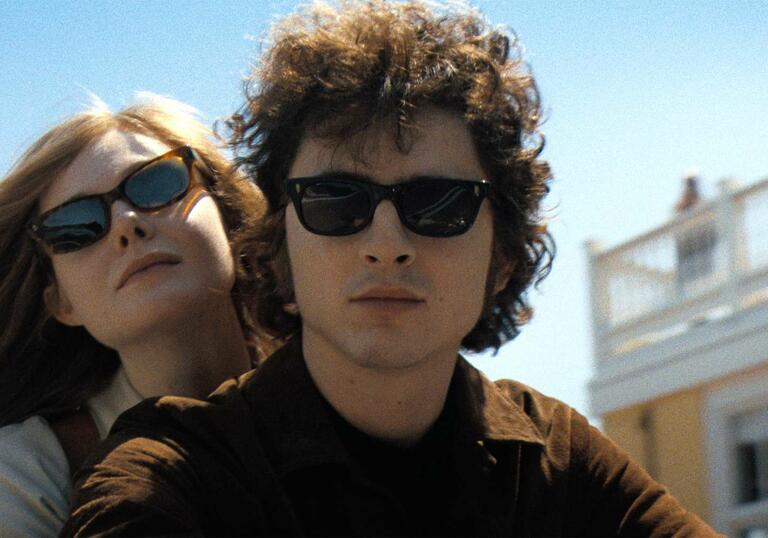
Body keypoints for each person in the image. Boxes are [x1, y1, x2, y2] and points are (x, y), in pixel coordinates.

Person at [64, 1, 719, 536]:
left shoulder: (556, 460)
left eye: (438, 205)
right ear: (279, 256)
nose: (386, 241)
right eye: (335, 201)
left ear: (503, 260)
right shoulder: (179, 475)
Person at [0, 93, 269, 536]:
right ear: (61, 305)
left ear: (228, 215)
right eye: (76, 226)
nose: (127, 222)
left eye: (157, 182)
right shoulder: (27, 476)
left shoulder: (358, 388)